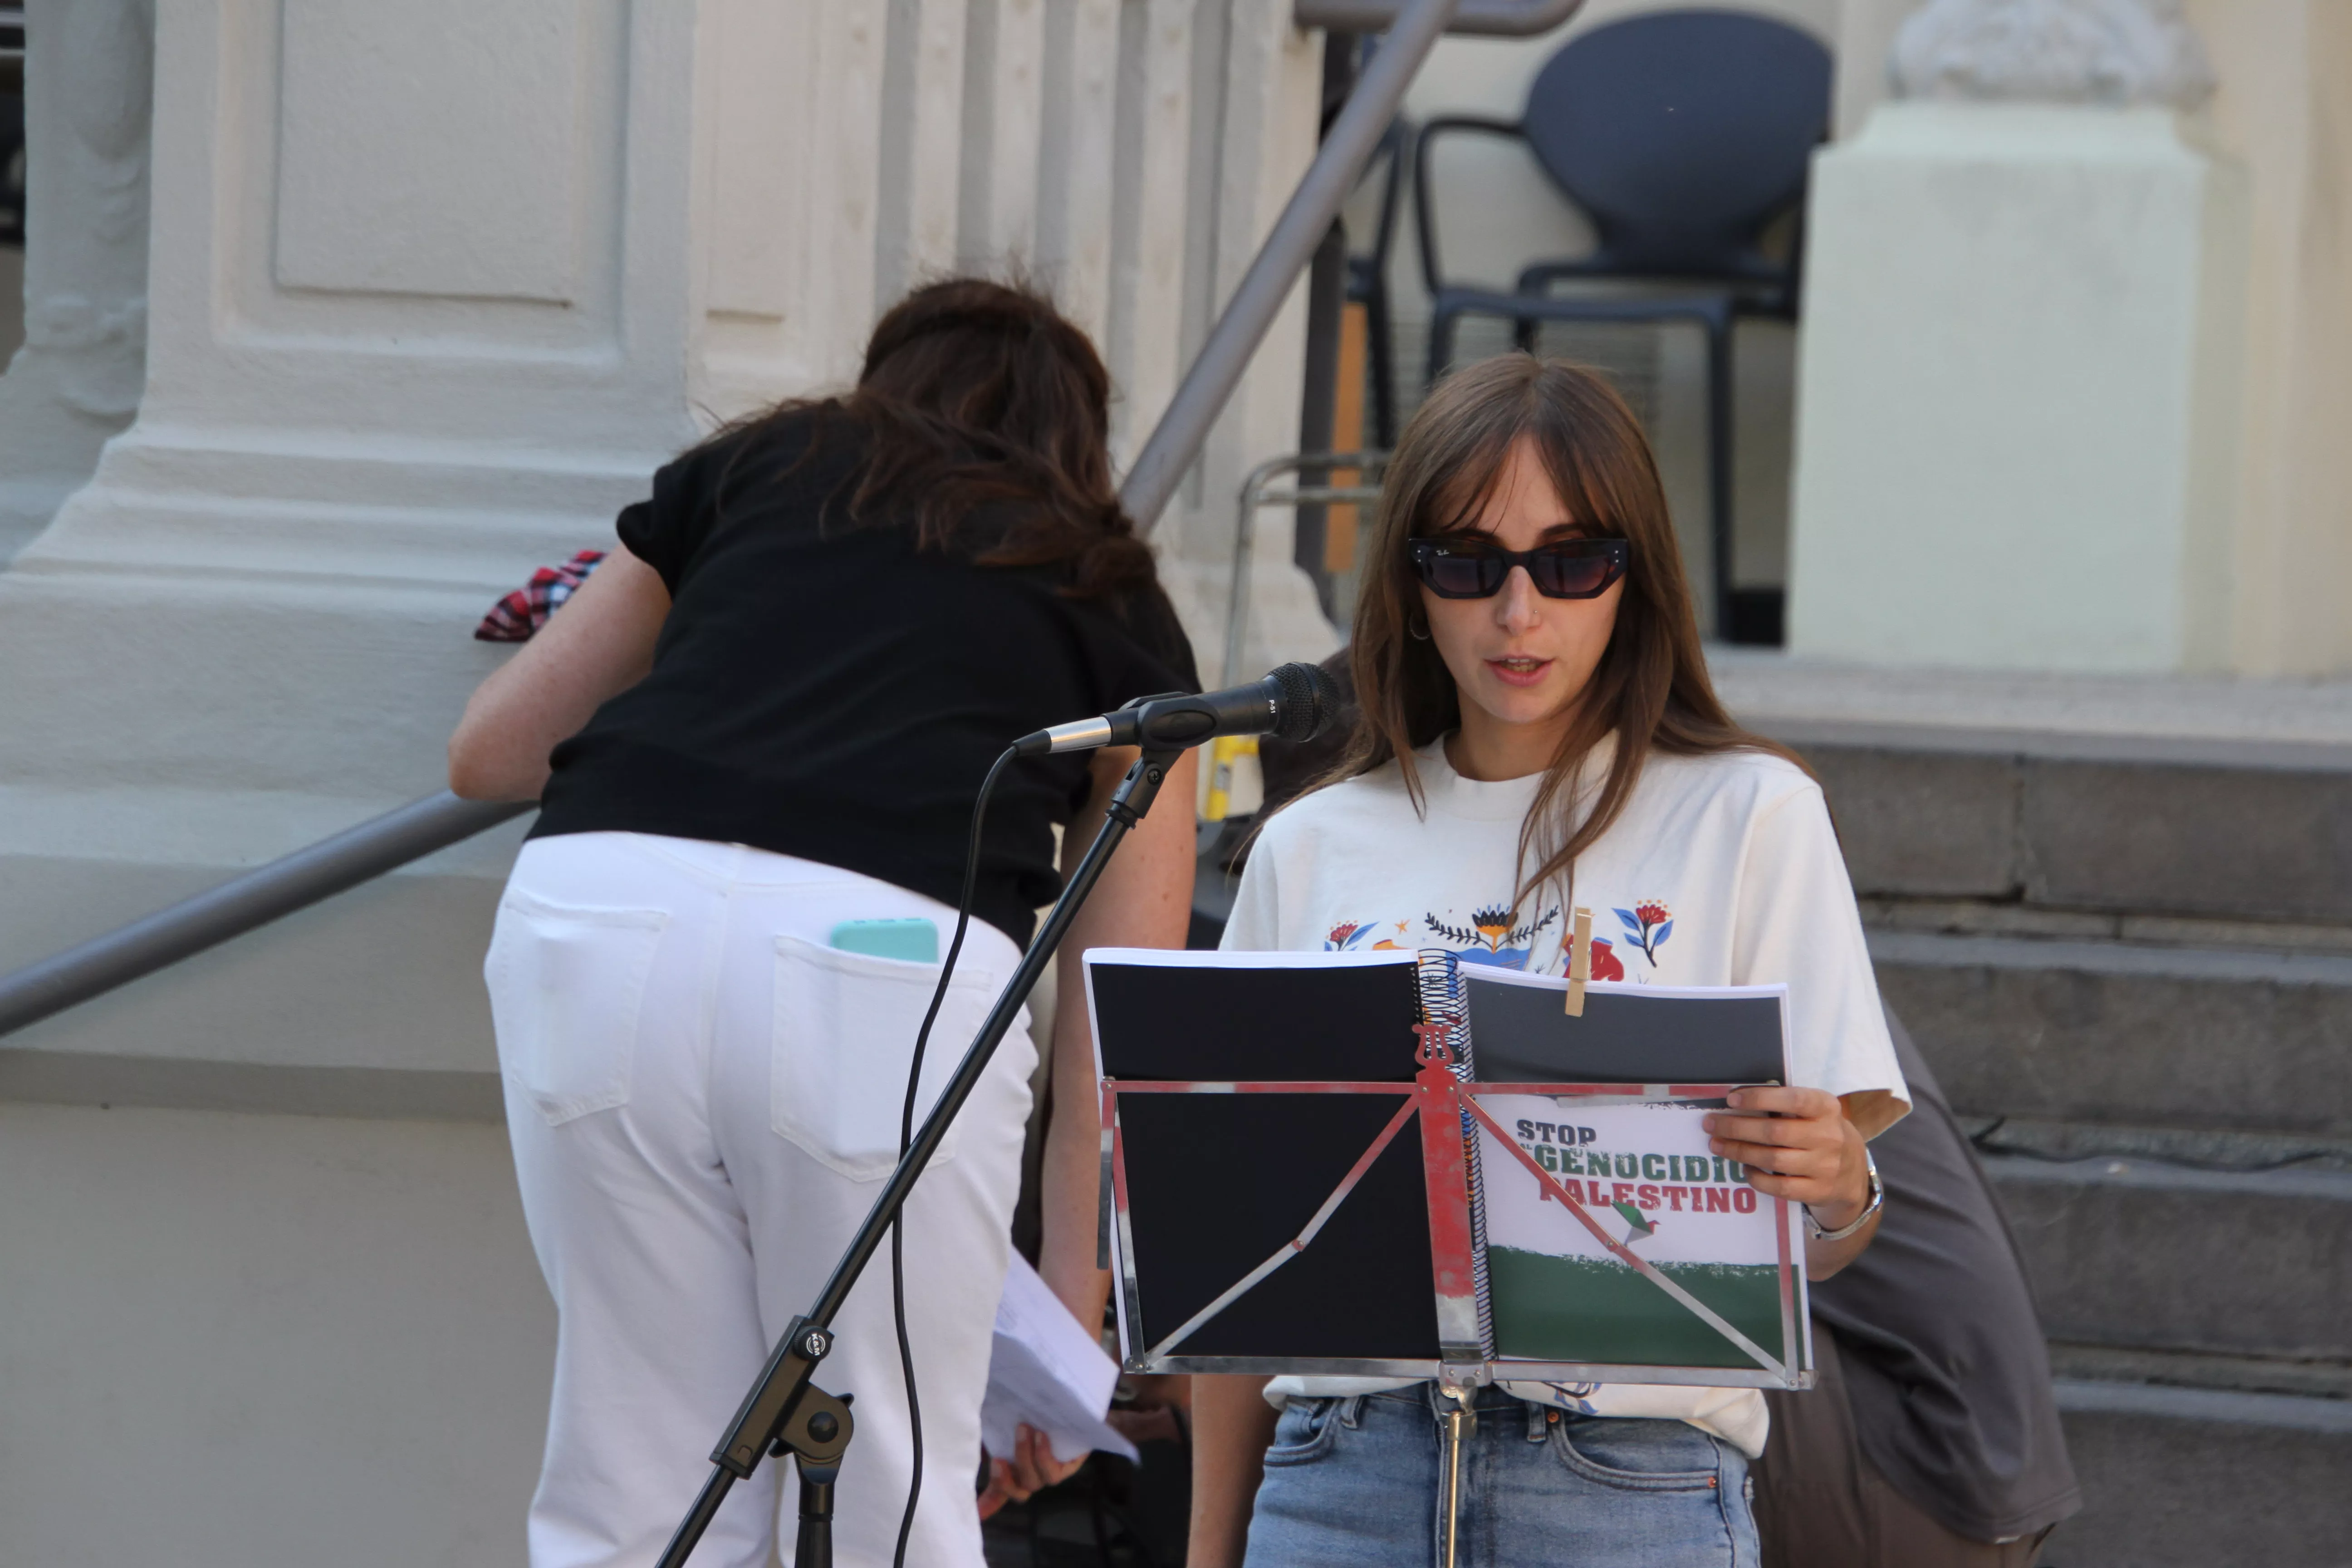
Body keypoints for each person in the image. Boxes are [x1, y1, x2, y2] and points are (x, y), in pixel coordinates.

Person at [446, 279, 1200, 1568]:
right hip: (883, 959)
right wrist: (1072, 1340)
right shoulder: (1108, 586)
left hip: (602, 910)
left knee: (633, 1488)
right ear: (1079, 446)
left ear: (876, 387)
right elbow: (1114, 1033)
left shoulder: (751, 469)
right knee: (889, 1494)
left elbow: (495, 751)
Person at [1190, 354, 1911, 1568]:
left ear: (1635, 580)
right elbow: (1243, 1272)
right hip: (1338, 1475)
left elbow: (1816, 1244)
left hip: (1628, 1485)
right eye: (1470, 564)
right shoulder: (1309, 848)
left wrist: (1841, 1182)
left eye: (1571, 563)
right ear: (1414, 587)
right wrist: (1211, 1550)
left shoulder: (1751, 817)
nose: (1519, 613)